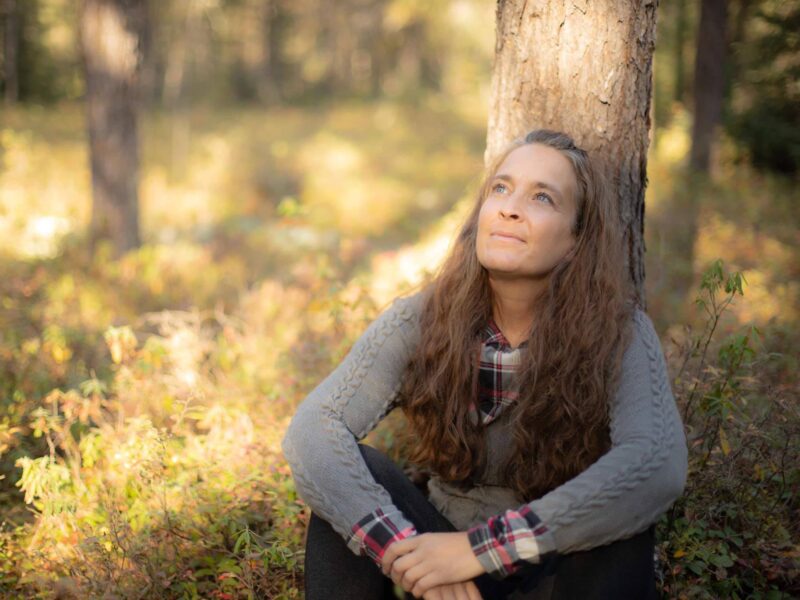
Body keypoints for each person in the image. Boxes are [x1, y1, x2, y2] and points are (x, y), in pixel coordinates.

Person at [281, 129, 688, 599]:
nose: (510, 208)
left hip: (552, 571)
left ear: (576, 241)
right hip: (439, 567)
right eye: (501, 188)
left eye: (542, 197)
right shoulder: (423, 318)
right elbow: (313, 429)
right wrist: (407, 555)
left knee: (620, 516)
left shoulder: (619, 333)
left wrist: (482, 550)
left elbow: (657, 464)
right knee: (349, 482)